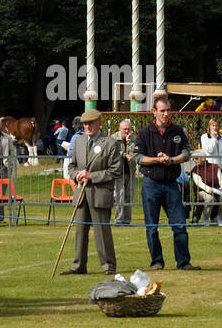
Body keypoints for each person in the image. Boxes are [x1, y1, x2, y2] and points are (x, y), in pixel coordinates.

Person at [134, 97, 198, 271]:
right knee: (152, 228)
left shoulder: (177, 131)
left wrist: (171, 160)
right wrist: (157, 159)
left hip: (171, 184)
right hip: (151, 184)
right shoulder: (144, 132)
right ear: (153, 112)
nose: (166, 114)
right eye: (162, 110)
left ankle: (184, 263)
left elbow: (186, 154)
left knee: (179, 225)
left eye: (168, 110)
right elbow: (138, 157)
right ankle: (157, 262)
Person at [61, 108, 123, 275]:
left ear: (99, 123)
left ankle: (108, 266)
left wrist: (92, 175)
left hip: (100, 193)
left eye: (90, 123)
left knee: (102, 231)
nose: (87, 126)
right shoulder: (79, 141)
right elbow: (72, 166)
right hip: (81, 193)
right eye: (85, 124)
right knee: (80, 231)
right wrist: (77, 176)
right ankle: (78, 266)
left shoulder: (110, 143)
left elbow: (116, 171)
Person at [189, 154, 222, 225]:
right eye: (193, 159)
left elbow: (221, 178)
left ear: (203, 158)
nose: (194, 160)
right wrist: (208, 189)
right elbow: (199, 183)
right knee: (210, 198)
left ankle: (219, 217)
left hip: (216, 189)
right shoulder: (195, 170)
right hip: (201, 190)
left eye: (196, 158)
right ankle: (206, 218)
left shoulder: (215, 167)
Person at [114, 118, 137, 225]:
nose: (127, 131)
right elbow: (114, 152)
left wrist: (129, 142)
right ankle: (119, 219)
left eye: (129, 129)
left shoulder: (134, 139)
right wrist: (124, 153)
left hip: (130, 171)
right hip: (119, 172)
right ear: (120, 129)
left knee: (129, 196)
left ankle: (127, 220)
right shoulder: (113, 138)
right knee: (120, 196)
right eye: (125, 129)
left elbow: (135, 152)